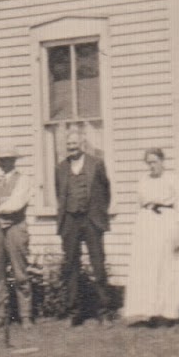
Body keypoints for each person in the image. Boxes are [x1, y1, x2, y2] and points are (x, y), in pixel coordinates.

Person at [121, 148, 179, 325]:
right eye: (149, 163)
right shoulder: (143, 180)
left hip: (167, 222)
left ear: (162, 161)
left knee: (167, 267)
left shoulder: (172, 179)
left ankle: (167, 313)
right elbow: (141, 204)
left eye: (155, 162)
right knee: (147, 268)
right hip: (146, 225)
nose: (152, 166)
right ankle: (150, 311)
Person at [54, 129, 113, 326]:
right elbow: (59, 193)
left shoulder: (96, 163)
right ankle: (74, 312)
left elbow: (106, 191)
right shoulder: (61, 167)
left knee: (98, 264)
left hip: (91, 219)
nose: (72, 148)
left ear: (83, 144)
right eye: (69, 144)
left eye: (75, 144)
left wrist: (98, 212)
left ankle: (104, 312)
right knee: (71, 265)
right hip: (70, 221)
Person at [0, 145, 35, 327]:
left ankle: (25, 315)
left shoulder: (24, 180)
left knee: (20, 272)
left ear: (14, 161)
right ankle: (0, 315)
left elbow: (17, 203)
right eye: (0, 160)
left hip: (16, 228)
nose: (2, 163)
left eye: (6, 159)